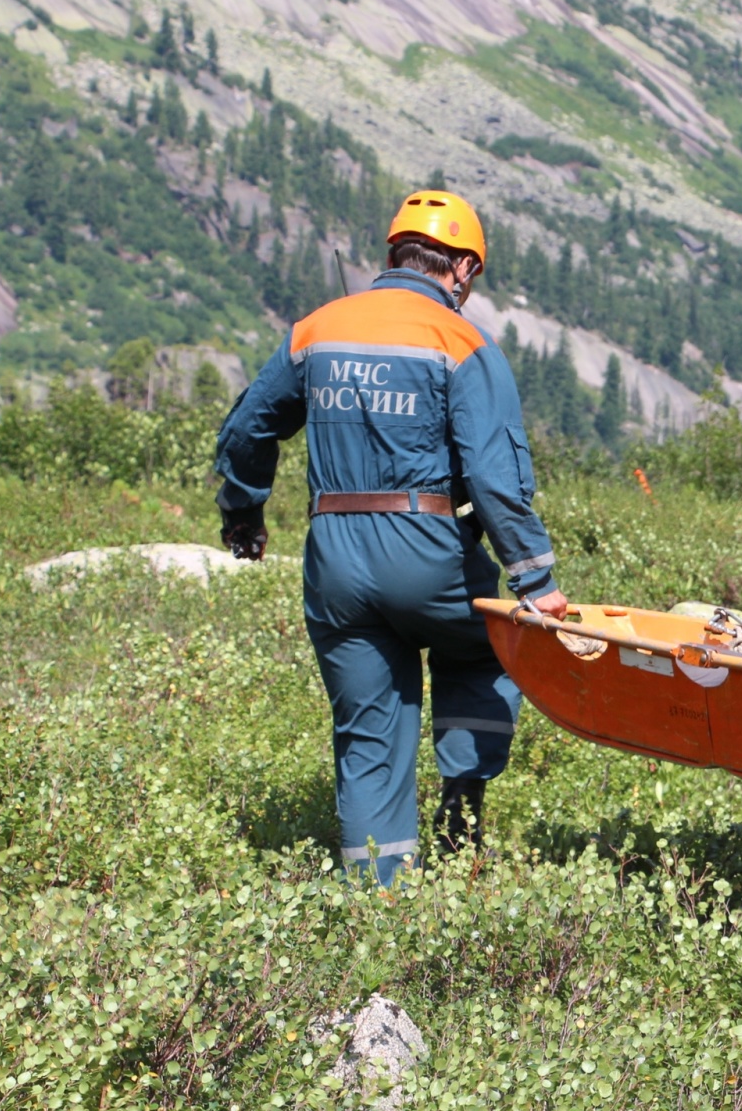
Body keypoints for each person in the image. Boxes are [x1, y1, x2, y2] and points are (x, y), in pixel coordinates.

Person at [213, 190, 567, 886]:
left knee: (369, 737)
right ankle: (461, 809)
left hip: (335, 559)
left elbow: (247, 430)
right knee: (486, 648)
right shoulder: (463, 341)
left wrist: (244, 517)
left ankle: (376, 904)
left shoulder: (315, 329)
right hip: (429, 551)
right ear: (461, 267)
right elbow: (495, 478)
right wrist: (535, 580)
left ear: (393, 254)